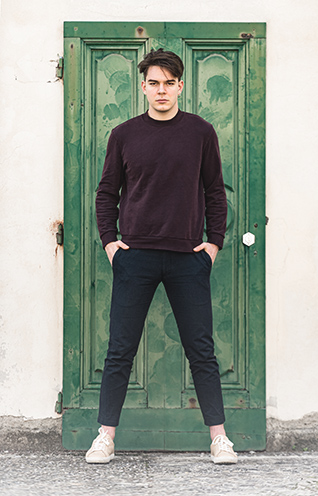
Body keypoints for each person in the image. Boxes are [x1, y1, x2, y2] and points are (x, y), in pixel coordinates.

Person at [85, 48, 237, 465]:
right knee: (120, 349)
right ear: (143, 86)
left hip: (188, 257)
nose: (162, 90)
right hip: (135, 257)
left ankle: (219, 438)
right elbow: (106, 194)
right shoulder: (124, 134)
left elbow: (214, 192)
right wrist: (111, 244)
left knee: (201, 349)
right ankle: (105, 436)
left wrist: (213, 244)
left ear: (181, 86)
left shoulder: (201, 133)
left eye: (169, 83)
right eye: (154, 82)